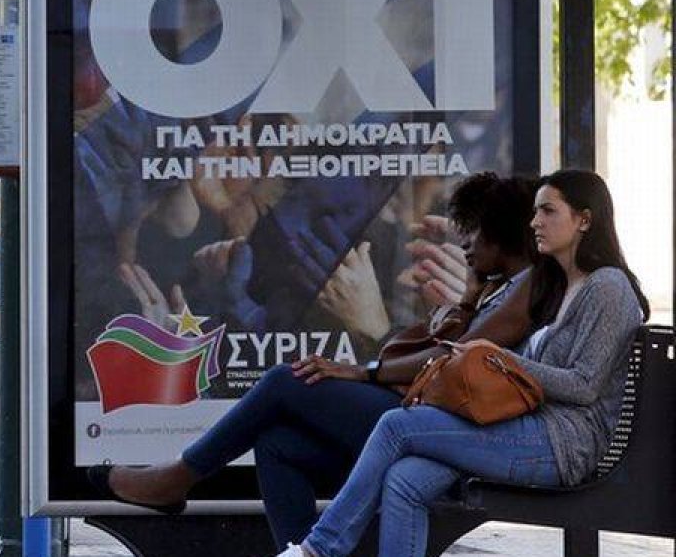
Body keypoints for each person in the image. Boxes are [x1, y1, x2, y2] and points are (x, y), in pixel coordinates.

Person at [88, 172, 538, 546]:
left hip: (446, 430)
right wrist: (465, 298)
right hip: (429, 415)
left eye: (474, 234)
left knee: (288, 380)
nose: (465, 246)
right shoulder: (496, 285)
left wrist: (364, 365)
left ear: (503, 233)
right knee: (279, 443)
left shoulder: (526, 287)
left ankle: (178, 477)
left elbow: (453, 361)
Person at [278, 169, 649, 557]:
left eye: (548, 211)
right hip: (529, 429)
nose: (535, 221)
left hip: (563, 446)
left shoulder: (608, 287)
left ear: (585, 220)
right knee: (404, 480)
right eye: (535, 211)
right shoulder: (562, 284)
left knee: (395, 426)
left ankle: (318, 549)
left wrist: (499, 358)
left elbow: (584, 385)